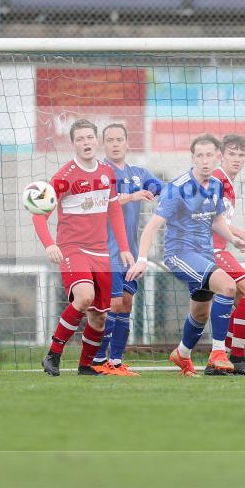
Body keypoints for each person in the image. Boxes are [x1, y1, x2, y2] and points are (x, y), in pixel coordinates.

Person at [126, 134, 245, 376]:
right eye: (199, 155)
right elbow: (151, 227)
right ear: (192, 158)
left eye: (209, 155)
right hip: (179, 254)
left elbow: (217, 219)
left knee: (200, 313)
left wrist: (234, 239)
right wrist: (141, 258)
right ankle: (218, 353)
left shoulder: (215, 185)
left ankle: (181, 354)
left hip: (203, 254)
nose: (204, 160)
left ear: (217, 157)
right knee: (228, 286)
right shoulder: (177, 188)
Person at [33, 119, 134, 376]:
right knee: (84, 296)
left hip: (101, 252)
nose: (86, 142)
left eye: (90, 137)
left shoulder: (106, 172)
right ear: (73, 143)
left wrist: (123, 247)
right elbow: (38, 215)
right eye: (80, 139)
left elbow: (113, 210)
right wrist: (49, 244)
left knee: (100, 316)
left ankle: (85, 366)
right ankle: (53, 355)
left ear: (97, 140)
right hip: (72, 249)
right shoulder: (63, 177)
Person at [91, 123, 163, 376]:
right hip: (105, 251)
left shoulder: (138, 173)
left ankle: (117, 362)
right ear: (103, 144)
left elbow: (160, 187)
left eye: (119, 139)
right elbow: (101, 202)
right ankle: (99, 360)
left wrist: (157, 190)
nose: (115, 144)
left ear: (126, 142)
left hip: (130, 253)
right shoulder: (99, 172)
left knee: (127, 303)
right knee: (113, 303)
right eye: (110, 140)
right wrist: (132, 196)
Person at [211, 134, 245, 376]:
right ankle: (236, 357)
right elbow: (213, 219)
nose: (236, 159)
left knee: (240, 300)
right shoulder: (216, 179)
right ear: (221, 155)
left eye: (241, 155)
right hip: (210, 250)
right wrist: (241, 234)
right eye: (231, 154)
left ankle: (225, 358)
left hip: (217, 249)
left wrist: (235, 238)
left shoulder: (228, 182)